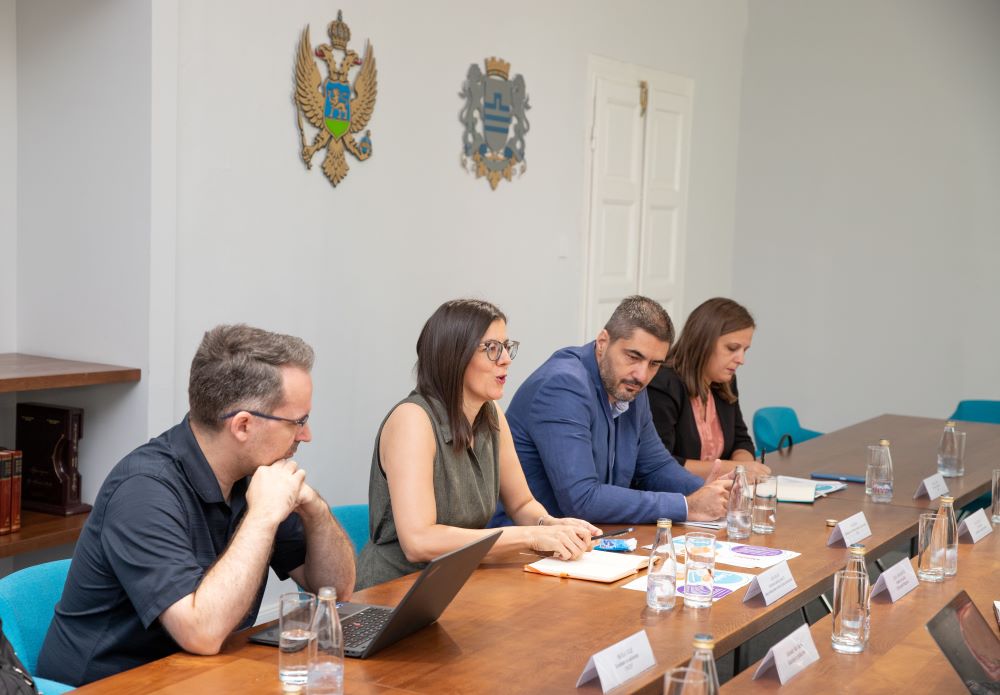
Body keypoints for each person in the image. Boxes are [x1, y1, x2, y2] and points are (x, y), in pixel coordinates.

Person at [37, 325, 355, 686]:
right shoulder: (143, 490)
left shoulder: (253, 475)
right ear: (243, 426)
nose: (306, 435)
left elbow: (335, 592)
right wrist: (263, 517)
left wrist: (315, 510)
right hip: (107, 686)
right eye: (298, 422)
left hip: (196, 678)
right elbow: (202, 633)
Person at [357, 299, 600, 590]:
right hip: (392, 590)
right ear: (454, 356)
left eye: (506, 347)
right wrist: (529, 537)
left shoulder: (491, 413)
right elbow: (419, 541)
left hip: (455, 581)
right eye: (492, 348)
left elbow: (522, 504)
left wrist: (550, 525)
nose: (506, 359)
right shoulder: (413, 420)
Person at [491, 296, 732, 526]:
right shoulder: (563, 385)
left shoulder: (629, 384)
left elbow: (655, 466)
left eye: (654, 364)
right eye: (633, 356)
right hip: (526, 541)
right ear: (603, 342)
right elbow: (582, 499)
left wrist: (707, 491)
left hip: (587, 537)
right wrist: (686, 505)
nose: (642, 375)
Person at [647, 297, 770, 480]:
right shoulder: (663, 384)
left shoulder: (725, 381)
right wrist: (735, 469)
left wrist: (744, 470)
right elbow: (660, 464)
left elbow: (741, 440)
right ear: (703, 342)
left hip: (720, 490)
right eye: (732, 348)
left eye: (745, 350)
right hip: (679, 494)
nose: (741, 360)